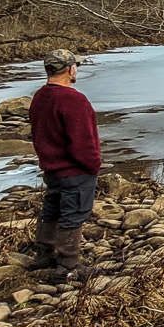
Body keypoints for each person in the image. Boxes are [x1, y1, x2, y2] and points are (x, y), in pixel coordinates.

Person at [29, 48, 102, 278]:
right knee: (73, 214)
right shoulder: (73, 100)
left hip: (51, 168)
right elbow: (82, 141)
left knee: (51, 210)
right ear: (71, 69)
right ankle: (68, 264)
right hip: (74, 170)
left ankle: (44, 254)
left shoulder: (40, 96)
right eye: (75, 66)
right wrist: (93, 165)